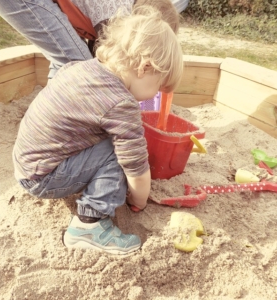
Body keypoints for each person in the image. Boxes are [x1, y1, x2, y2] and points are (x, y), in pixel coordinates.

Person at [12, 6, 183, 255]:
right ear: (144, 68)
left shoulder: (83, 67)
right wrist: (140, 200)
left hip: (27, 163)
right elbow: (135, 167)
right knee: (118, 153)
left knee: (112, 143)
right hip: (43, 176)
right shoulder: (120, 102)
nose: (156, 94)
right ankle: (89, 225)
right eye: (158, 86)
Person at [0, 0, 186, 79]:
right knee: (80, 68)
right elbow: (113, 70)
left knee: (71, 60)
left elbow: (97, 53)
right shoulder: (116, 11)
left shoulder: (121, 21)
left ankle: (54, 116)